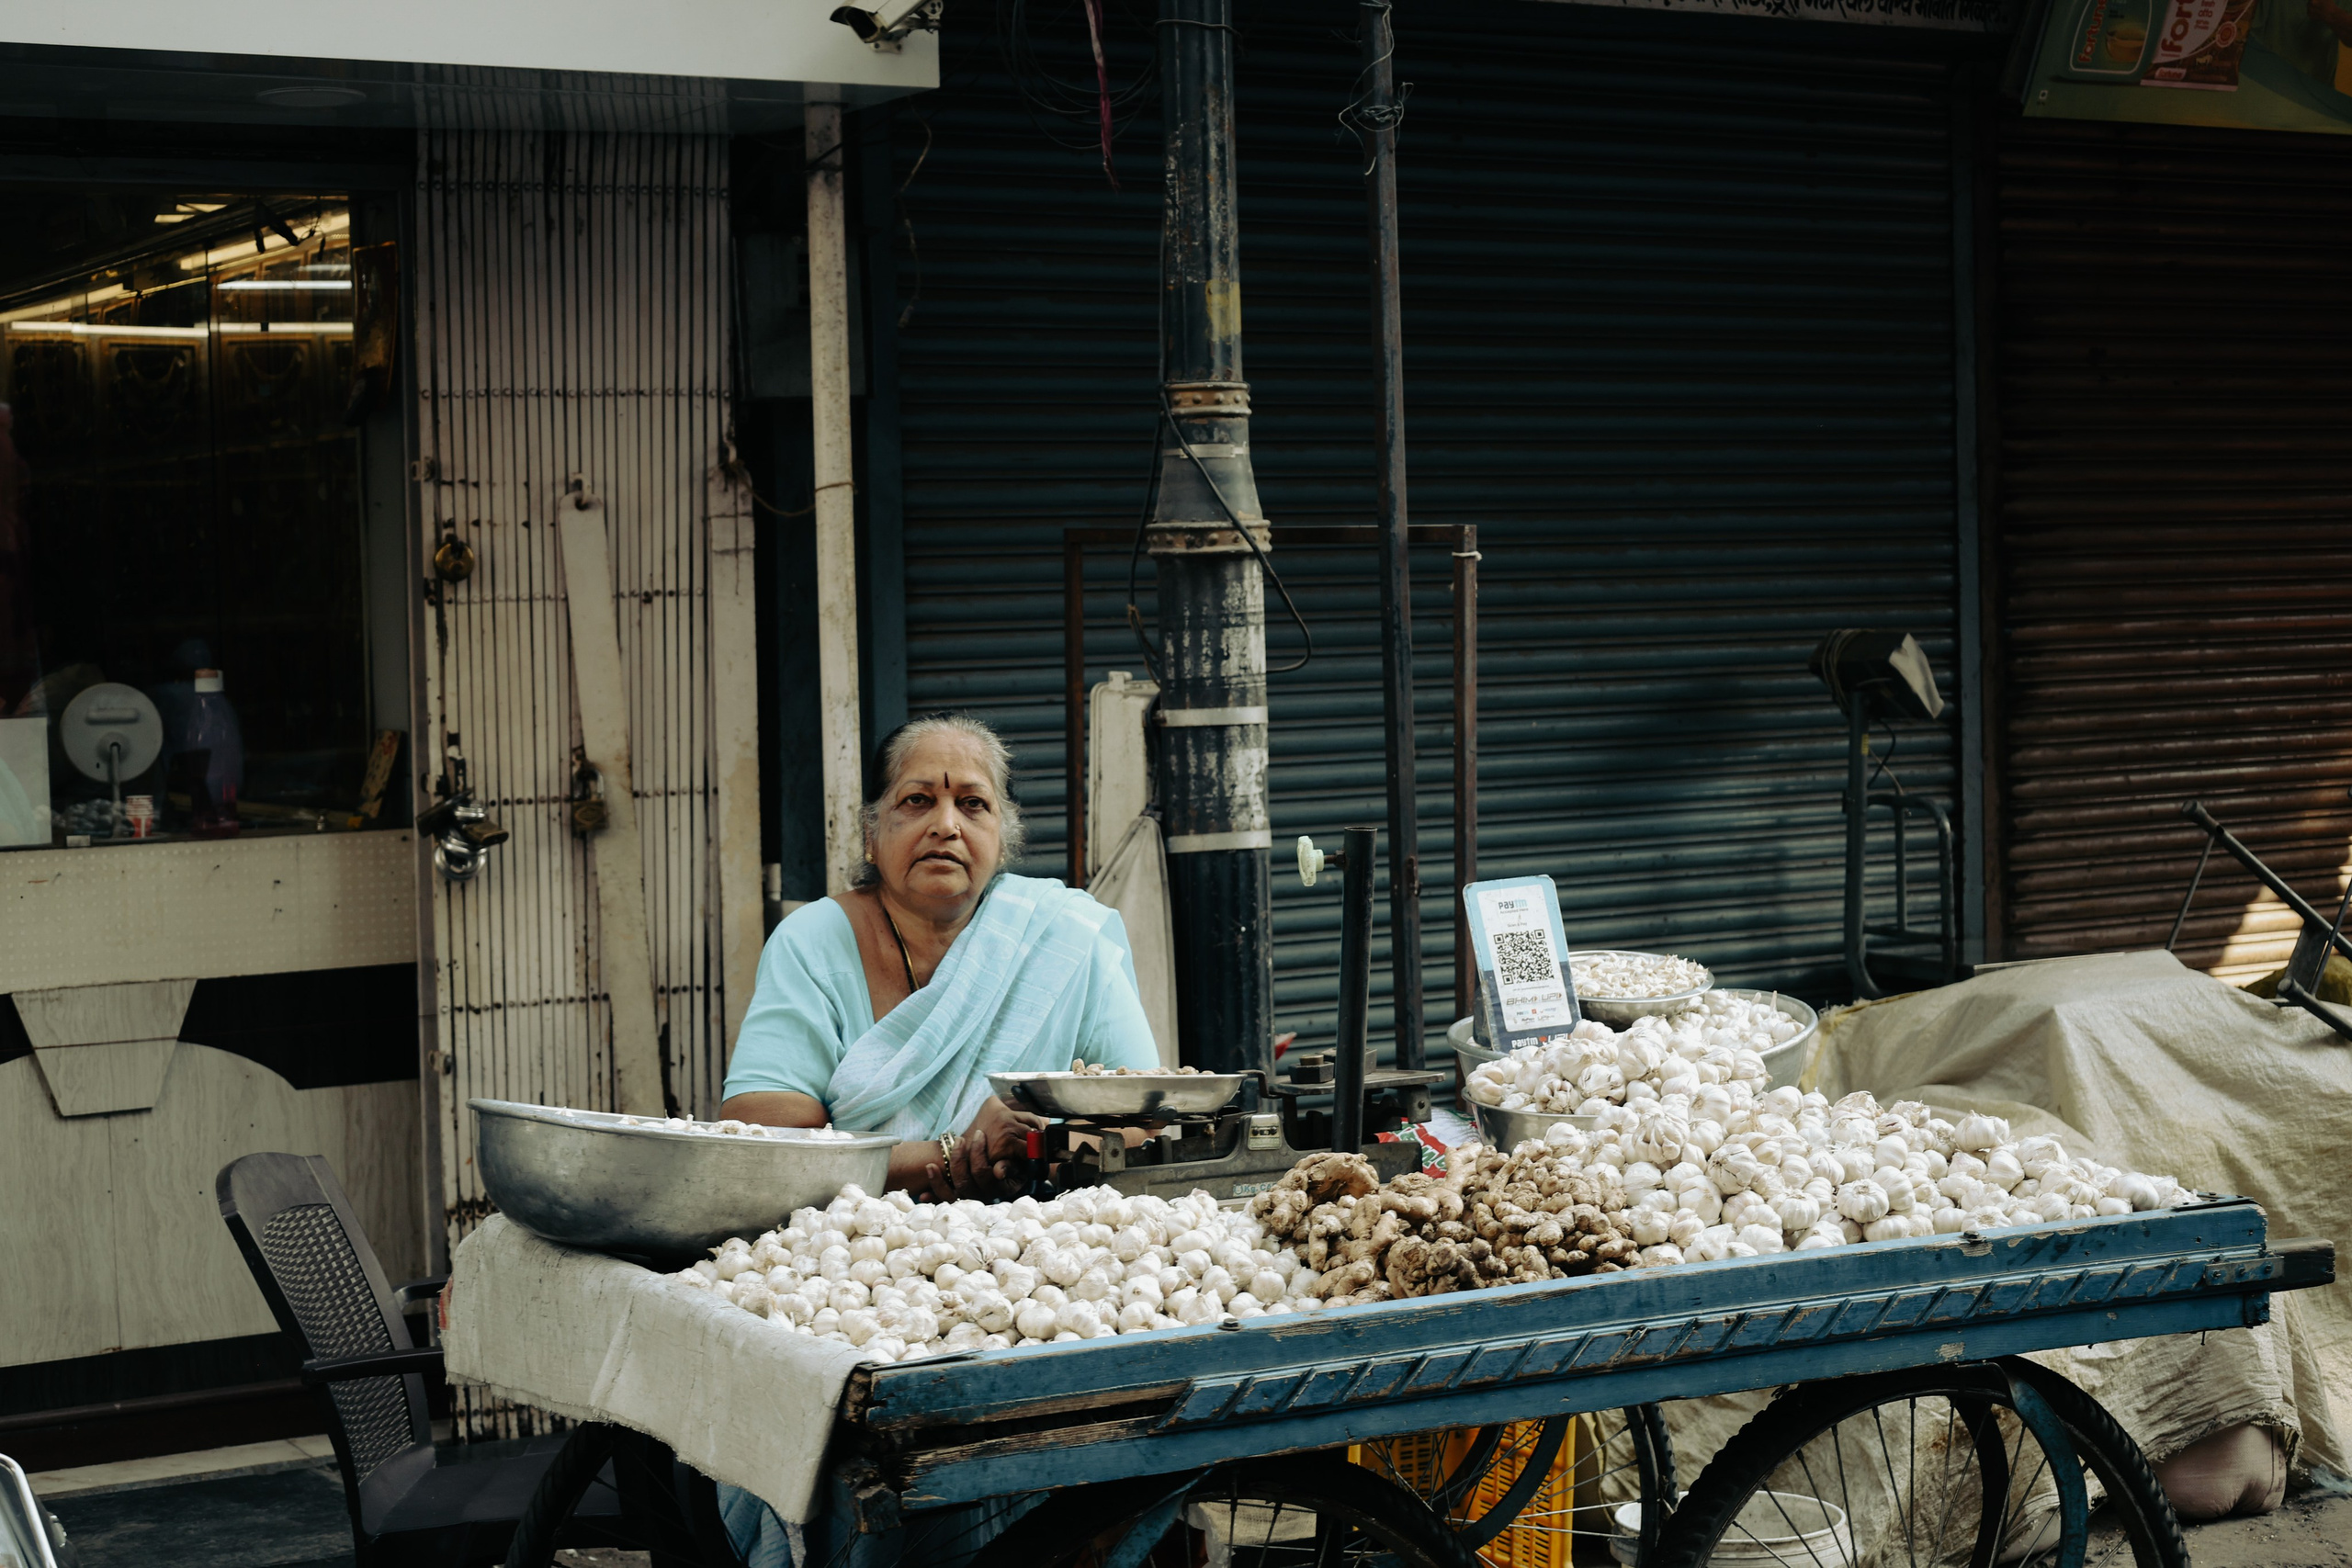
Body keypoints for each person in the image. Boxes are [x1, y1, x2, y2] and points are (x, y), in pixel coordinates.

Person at [718, 711, 1159, 1198]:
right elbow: (767, 1144)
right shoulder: (813, 941)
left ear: (1003, 839)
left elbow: (1139, 1117)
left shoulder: (1068, 938)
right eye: (917, 800)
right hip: (854, 1249)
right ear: (871, 834)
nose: (945, 825)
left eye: (972, 804)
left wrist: (1025, 1149)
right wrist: (954, 1153)